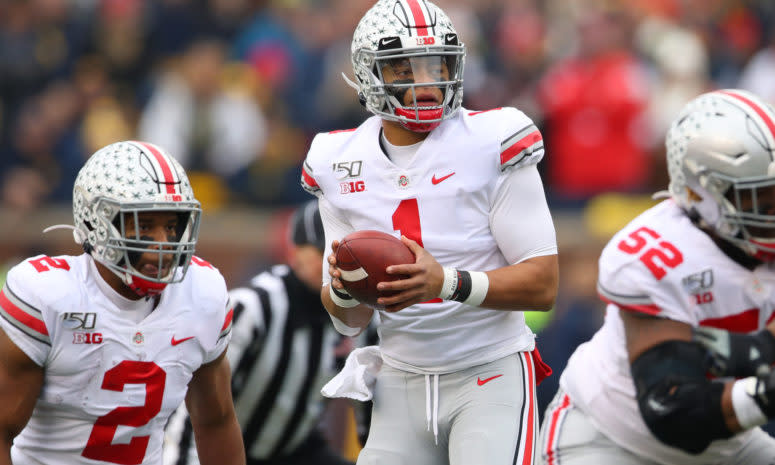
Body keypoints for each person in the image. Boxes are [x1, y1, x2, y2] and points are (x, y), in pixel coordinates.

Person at [300, 1, 559, 464]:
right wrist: (344, 290)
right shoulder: (336, 160)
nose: (425, 82)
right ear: (368, 74)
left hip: (490, 373)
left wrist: (447, 283)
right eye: (404, 69)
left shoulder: (493, 140)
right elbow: (348, 321)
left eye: (434, 64)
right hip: (400, 379)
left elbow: (542, 284)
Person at [538, 89, 775, 465]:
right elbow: (672, 408)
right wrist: (765, 391)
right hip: (611, 438)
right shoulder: (656, 255)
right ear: (703, 194)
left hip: (725, 441)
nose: (771, 209)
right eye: (761, 197)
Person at [0, 141, 245, 465]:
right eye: (144, 226)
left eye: (172, 226)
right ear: (96, 223)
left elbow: (216, 422)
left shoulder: (202, 292)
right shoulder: (48, 296)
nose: (164, 244)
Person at [164, 200, 354, 465]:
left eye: (344, 255)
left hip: (293, 449)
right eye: (323, 251)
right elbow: (195, 407)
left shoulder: (356, 312)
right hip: (230, 453)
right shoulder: (253, 307)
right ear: (296, 251)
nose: (334, 263)